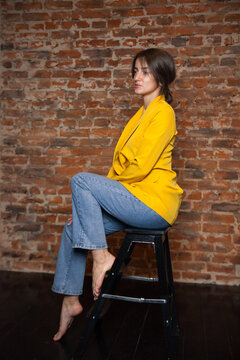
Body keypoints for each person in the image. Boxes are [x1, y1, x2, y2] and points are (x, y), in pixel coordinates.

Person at [52, 48, 183, 341]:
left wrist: (95, 193)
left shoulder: (163, 113)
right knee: (73, 229)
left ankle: (101, 259)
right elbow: (118, 171)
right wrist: (91, 209)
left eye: (145, 71)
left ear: (161, 77)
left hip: (153, 204)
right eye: (135, 71)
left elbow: (139, 166)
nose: (137, 77)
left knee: (81, 180)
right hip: (133, 199)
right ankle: (70, 301)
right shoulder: (141, 114)